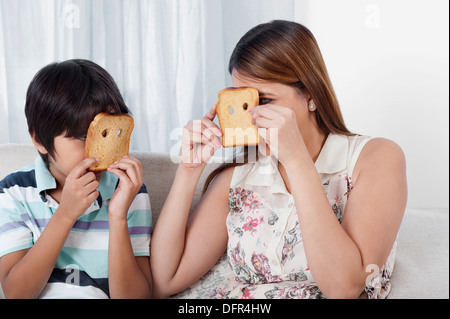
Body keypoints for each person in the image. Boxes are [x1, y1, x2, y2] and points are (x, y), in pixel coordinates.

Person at [150, 20, 407, 299]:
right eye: (243, 103)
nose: (251, 117)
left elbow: (344, 288)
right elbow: (165, 280)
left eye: (265, 100)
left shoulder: (377, 158)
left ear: (310, 94)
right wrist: (188, 172)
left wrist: (296, 160)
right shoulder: (239, 175)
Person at [0, 59, 152, 298]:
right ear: (39, 139)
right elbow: (16, 293)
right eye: (83, 137)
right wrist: (66, 213)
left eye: (107, 134)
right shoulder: (14, 192)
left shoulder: (130, 189)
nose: (97, 150)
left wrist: (118, 216)